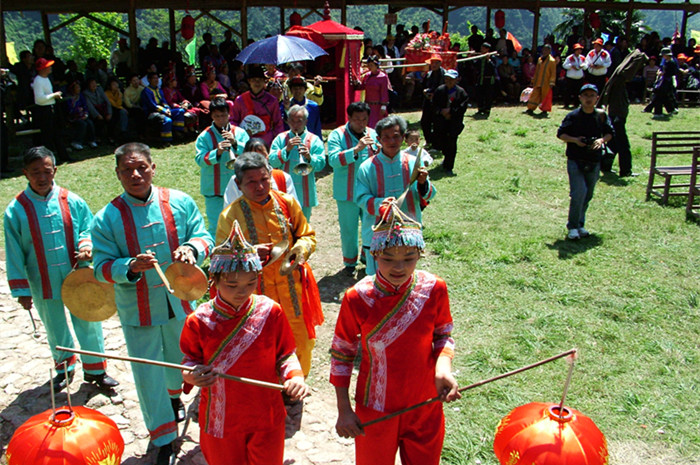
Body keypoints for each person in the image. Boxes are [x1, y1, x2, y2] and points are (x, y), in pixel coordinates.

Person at [91, 143, 213, 465]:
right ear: (117, 174)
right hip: (138, 310)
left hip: (180, 302)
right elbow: (100, 268)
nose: (135, 174)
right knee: (148, 373)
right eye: (127, 169)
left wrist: (191, 249)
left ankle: (174, 401)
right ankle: (162, 438)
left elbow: (205, 236)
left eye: (141, 167)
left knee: (178, 360)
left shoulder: (180, 202)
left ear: (153, 167)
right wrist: (128, 267)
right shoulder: (106, 218)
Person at [331, 199, 459, 465]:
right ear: (374, 254)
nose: (398, 267)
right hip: (375, 407)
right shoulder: (358, 298)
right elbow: (342, 354)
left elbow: (443, 335)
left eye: (408, 258)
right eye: (388, 258)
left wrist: (443, 368)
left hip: (425, 403)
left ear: (420, 255)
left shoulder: (434, 288)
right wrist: (344, 409)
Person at [180, 220, 308, 465]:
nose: (242, 291)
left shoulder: (271, 311)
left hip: (266, 415)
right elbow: (189, 362)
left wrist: (295, 377)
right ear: (214, 281)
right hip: (220, 418)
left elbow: (285, 354)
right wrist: (192, 376)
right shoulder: (199, 320)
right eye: (232, 285)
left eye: (250, 283)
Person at [4, 146, 117, 391]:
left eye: (46, 171)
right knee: (54, 325)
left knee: (88, 320)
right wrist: (21, 289)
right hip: (41, 278)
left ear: (54, 170)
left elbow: (89, 228)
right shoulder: (16, 210)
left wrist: (87, 245)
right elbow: (13, 252)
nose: (42, 177)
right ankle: (64, 368)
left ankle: (96, 369)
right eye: (35, 172)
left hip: (78, 275)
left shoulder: (71, 200)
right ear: (26, 173)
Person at [216, 152, 322, 377]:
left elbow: (307, 235)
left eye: (264, 179)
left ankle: (295, 387)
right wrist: (250, 254)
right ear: (238, 184)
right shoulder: (230, 216)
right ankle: (271, 389)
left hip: (292, 288)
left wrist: (300, 250)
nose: (260, 186)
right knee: (263, 343)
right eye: (251, 182)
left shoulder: (287, 202)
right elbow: (220, 260)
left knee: (301, 341)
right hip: (256, 294)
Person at [355, 115, 437, 275]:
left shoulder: (414, 163)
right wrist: (381, 204)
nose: (391, 141)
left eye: (396, 137)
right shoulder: (367, 167)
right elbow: (361, 198)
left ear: (403, 138)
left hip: (408, 231)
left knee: (405, 276)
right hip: (377, 231)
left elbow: (429, 195)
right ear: (378, 139)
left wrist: (422, 183)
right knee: (377, 278)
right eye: (386, 137)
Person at [557, 84, 614, 240]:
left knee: (587, 195)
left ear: (597, 98)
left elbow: (610, 133)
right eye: (585, 95)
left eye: (592, 95)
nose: (588, 99)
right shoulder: (573, 116)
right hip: (575, 159)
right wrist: (575, 140)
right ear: (580, 98)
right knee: (578, 193)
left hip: (594, 160)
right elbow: (561, 134)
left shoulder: (601, 115)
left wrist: (601, 140)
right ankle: (573, 227)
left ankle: (580, 224)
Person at [327, 102, 379, 272]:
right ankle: (350, 262)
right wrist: (356, 150)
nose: (361, 123)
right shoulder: (337, 135)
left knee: (370, 226)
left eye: (364, 119)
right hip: (346, 191)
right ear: (349, 118)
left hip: (369, 191)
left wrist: (378, 150)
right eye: (357, 119)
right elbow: (333, 160)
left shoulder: (373, 133)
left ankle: (367, 257)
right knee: (348, 229)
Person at [195, 97, 250, 238]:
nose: (220, 119)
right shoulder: (204, 136)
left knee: (242, 224)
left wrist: (236, 143)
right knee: (216, 226)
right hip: (214, 190)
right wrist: (216, 153)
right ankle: (217, 257)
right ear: (211, 116)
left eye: (223, 115)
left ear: (229, 114)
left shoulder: (240, 133)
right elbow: (200, 160)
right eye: (217, 116)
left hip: (238, 189)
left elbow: (251, 155)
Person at [269, 105, 326, 221]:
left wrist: (309, 158)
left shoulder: (314, 140)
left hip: (305, 192)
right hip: (282, 190)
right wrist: (286, 150)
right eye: (292, 121)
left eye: (299, 121)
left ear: (306, 121)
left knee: (303, 225)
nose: (295, 125)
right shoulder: (280, 139)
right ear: (288, 121)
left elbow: (321, 165)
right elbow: (272, 162)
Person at [599, 49, 648, 177]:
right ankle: (626, 171)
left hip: (615, 115)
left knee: (613, 143)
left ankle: (606, 166)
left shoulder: (617, 78)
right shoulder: (620, 79)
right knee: (623, 145)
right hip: (618, 116)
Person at [223, 138, 298, 206]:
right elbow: (229, 207)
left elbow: (294, 208)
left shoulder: (283, 177)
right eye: (252, 155)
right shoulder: (237, 180)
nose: (257, 159)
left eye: (261, 154)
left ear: (268, 155)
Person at [231, 66, 284, 148]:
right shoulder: (240, 100)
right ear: (249, 81)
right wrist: (240, 134)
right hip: (244, 141)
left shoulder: (272, 100)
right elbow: (233, 121)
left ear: (264, 82)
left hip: (266, 142)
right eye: (254, 80)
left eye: (260, 80)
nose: (257, 83)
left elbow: (278, 124)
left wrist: (277, 143)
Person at [31, 57, 69, 162]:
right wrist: (54, 95)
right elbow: (39, 99)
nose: (50, 67)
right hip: (44, 110)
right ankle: (48, 159)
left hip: (51, 108)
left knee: (57, 134)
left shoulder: (47, 78)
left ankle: (64, 156)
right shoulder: (38, 80)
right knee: (47, 137)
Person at [433, 70, 468, 175]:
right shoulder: (439, 90)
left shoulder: (461, 93)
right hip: (441, 122)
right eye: (447, 79)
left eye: (451, 79)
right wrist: (441, 111)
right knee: (442, 142)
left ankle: (449, 166)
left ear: (457, 80)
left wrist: (451, 112)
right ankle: (445, 157)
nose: (449, 81)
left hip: (454, 123)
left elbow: (462, 107)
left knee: (452, 144)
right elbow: (434, 105)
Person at [140, 72, 186, 144]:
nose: (156, 80)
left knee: (180, 111)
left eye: (157, 78)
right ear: (149, 80)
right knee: (168, 120)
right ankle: (166, 141)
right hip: (151, 112)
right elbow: (152, 105)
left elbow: (164, 101)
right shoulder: (146, 91)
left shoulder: (159, 90)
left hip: (163, 110)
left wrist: (167, 109)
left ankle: (177, 132)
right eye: (154, 78)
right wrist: (164, 111)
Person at [644, 47, 678, 119]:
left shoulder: (672, 62)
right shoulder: (666, 62)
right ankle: (671, 109)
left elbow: (672, 72)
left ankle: (658, 112)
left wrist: (663, 73)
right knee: (664, 97)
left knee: (659, 96)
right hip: (663, 81)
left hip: (667, 81)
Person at [358, 56, 391, 128]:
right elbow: (362, 86)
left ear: (376, 65)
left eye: (371, 65)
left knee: (378, 126)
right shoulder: (367, 76)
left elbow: (384, 92)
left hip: (378, 106)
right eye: (368, 65)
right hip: (368, 106)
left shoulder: (382, 77)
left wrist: (383, 105)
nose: (369, 67)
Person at [420, 55, 445, 149]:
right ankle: (428, 140)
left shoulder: (443, 74)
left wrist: (435, 94)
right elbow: (424, 85)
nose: (433, 65)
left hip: (439, 102)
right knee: (424, 122)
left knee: (437, 123)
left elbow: (443, 88)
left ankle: (437, 144)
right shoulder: (429, 74)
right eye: (432, 63)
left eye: (435, 63)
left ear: (440, 63)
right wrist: (426, 92)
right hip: (428, 100)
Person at [525, 44, 557, 116]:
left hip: (546, 82)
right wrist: (533, 80)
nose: (544, 51)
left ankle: (544, 111)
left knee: (545, 97)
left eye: (546, 50)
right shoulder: (540, 59)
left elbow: (553, 73)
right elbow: (537, 71)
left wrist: (552, 82)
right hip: (538, 81)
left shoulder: (552, 61)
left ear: (549, 51)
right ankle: (530, 108)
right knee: (535, 95)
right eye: (544, 50)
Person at [475, 42, 498, 117]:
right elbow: (475, 66)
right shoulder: (480, 57)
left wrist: (489, 61)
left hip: (488, 80)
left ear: (487, 49)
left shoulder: (493, 57)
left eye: (483, 48)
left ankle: (487, 110)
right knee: (479, 94)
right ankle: (480, 109)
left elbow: (493, 68)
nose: (481, 49)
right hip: (480, 78)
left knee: (488, 95)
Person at [562, 44, 587, 108]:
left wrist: (582, 66)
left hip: (579, 78)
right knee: (568, 92)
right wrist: (571, 66)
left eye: (580, 50)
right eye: (577, 50)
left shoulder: (582, 57)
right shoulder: (570, 57)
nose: (579, 51)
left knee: (578, 92)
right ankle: (566, 104)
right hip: (570, 77)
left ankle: (576, 104)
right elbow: (564, 65)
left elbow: (586, 66)